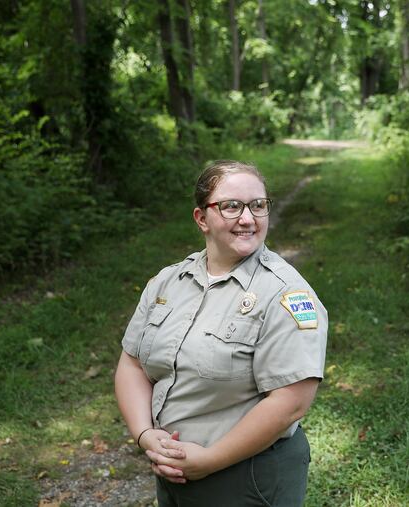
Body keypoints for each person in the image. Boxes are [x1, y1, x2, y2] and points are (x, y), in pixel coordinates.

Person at [114, 160, 328, 506]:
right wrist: (145, 434)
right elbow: (132, 364)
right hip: (175, 477)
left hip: (248, 478)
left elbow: (290, 402)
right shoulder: (168, 282)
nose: (247, 219)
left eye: (258, 205)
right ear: (202, 218)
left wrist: (209, 461)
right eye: (231, 206)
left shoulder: (286, 294)